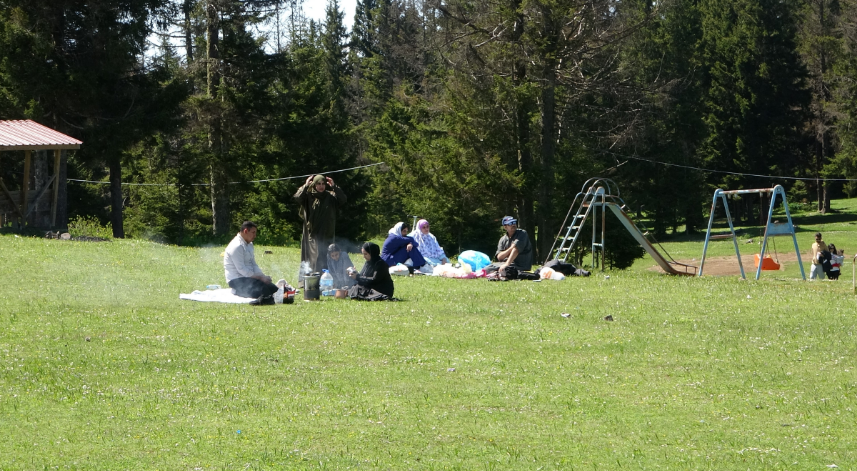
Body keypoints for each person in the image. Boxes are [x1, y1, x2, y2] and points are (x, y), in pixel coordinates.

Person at [294, 174, 347, 283]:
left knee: (327, 255)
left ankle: (328, 280)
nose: (321, 186)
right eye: (318, 184)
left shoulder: (331, 196)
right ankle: (311, 280)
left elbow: (343, 199)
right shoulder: (309, 196)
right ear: (314, 184)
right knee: (315, 257)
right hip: (313, 233)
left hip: (327, 231)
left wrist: (334, 187)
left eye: (323, 184)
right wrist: (305, 185)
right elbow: (297, 197)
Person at [224, 221, 280, 305]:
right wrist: (260, 278)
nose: (255, 235)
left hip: (249, 277)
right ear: (246, 231)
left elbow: (253, 264)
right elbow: (241, 269)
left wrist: (262, 276)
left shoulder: (249, 244)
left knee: (273, 289)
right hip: (237, 279)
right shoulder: (236, 246)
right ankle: (238, 291)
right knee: (264, 291)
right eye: (253, 232)